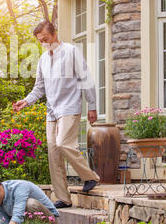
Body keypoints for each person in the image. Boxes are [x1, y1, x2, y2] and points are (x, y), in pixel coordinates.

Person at [13, 21, 100, 209]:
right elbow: (39, 88)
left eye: (46, 39)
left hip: (70, 106)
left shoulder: (71, 52)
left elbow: (87, 79)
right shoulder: (43, 60)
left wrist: (92, 105)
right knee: (53, 153)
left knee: (63, 143)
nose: (44, 43)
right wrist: (26, 101)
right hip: (52, 110)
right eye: (40, 41)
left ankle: (90, 177)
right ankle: (63, 197)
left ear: (54, 34)